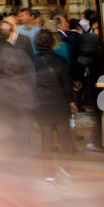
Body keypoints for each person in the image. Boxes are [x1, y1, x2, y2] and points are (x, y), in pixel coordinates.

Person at [33, 29, 77, 181]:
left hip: (42, 103)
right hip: (59, 102)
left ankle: (48, 172)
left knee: (46, 138)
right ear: (52, 42)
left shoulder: (33, 61)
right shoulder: (60, 61)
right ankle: (66, 167)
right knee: (64, 137)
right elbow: (66, 83)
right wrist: (71, 101)